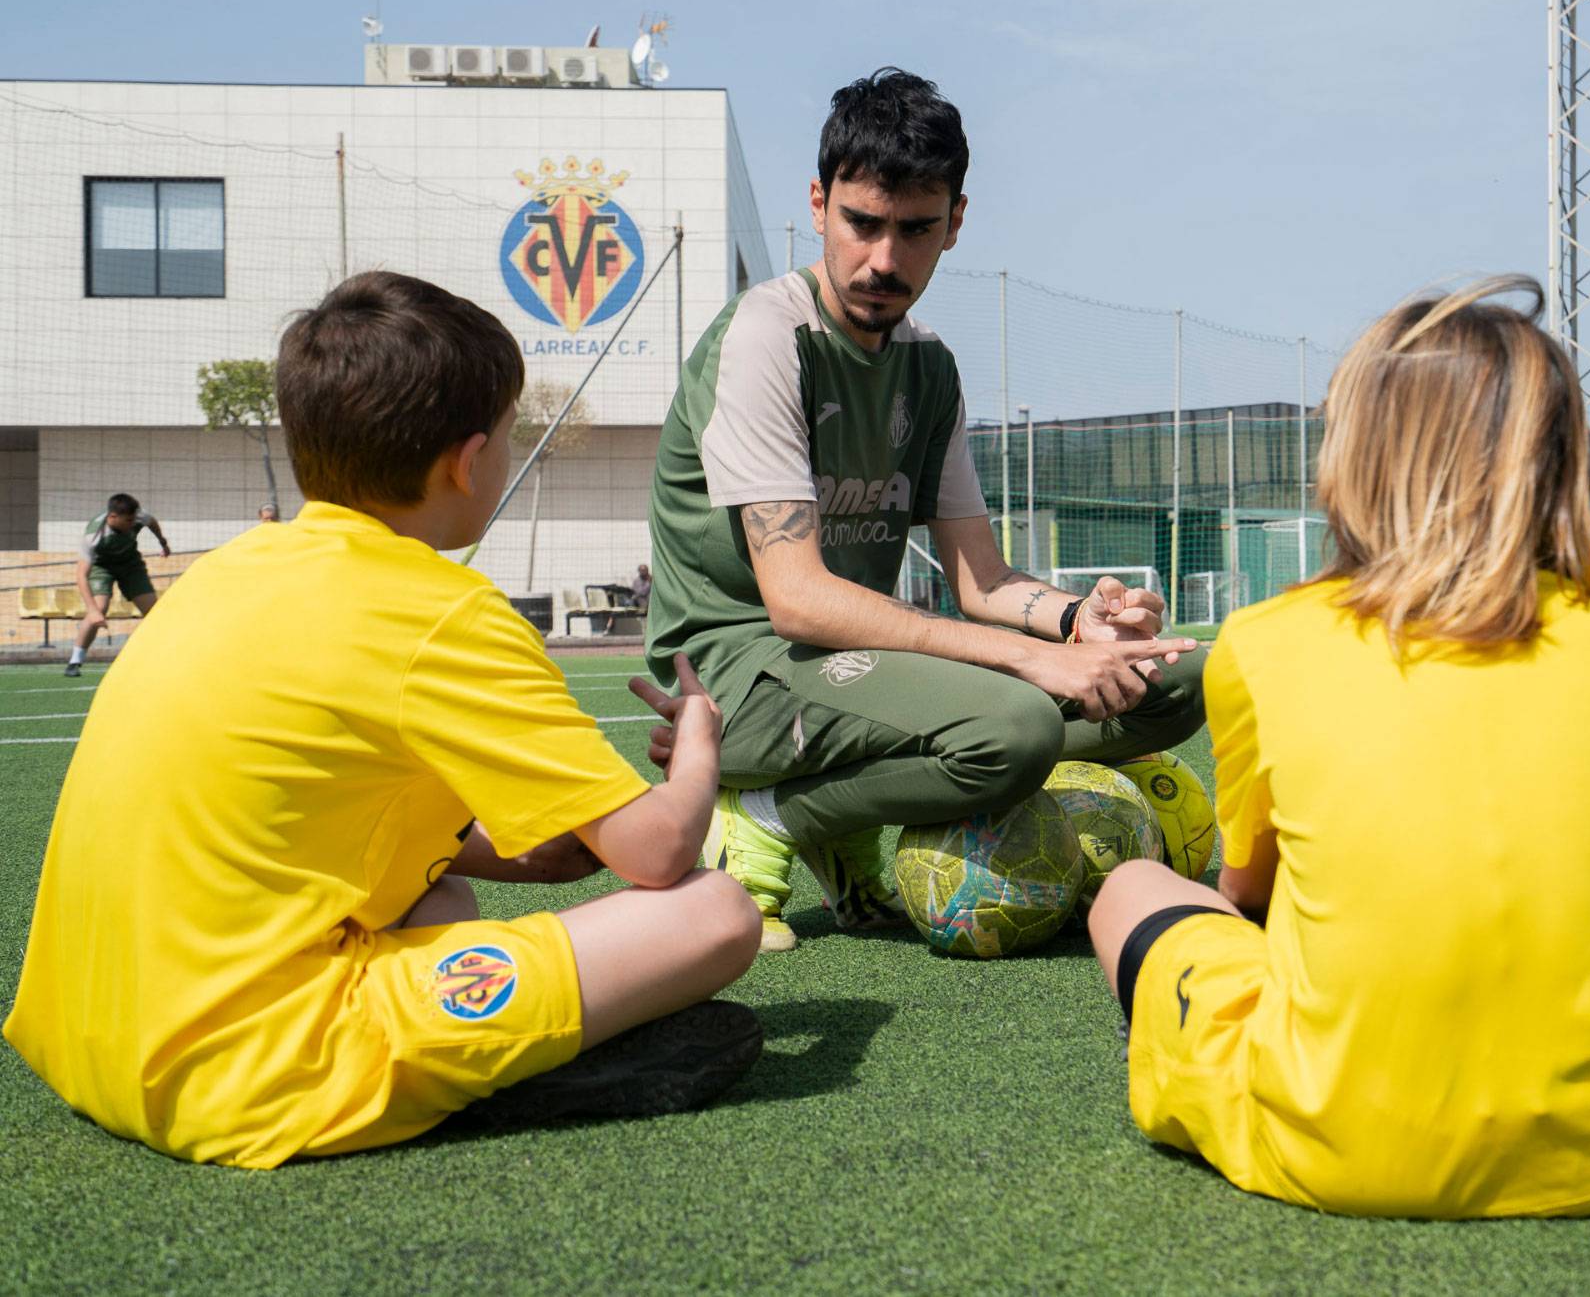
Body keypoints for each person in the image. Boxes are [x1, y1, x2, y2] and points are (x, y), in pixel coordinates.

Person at [3, 271, 763, 1169]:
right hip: (248, 1075)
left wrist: (523, 847)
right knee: (716, 912)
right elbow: (659, 853)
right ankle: (492, 1075)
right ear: (467, 461)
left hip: (90, 1043)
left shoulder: (224, 572)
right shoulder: (446, 611)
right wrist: (699, 747)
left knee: (441, 897)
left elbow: (293, 811)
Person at [1086, 277, 1590, 1218]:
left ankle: (1214, 1059)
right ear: (1560, 466)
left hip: (1332, 1148)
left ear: (1351, 458)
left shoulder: (1264, 641)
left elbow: (1248, 894)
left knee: (1131, 890)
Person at [647, 68, 1203, 953]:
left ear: (955, 223)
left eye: (915, 230)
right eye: (861, 223)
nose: (884, 259)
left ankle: (849, 809)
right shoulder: (767, 337)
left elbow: (981, 581)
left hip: (855, 663)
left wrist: (1080, 622)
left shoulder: (929, 366)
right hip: (735, 673)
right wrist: (1031, 660)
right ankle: (766, 814)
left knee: (1172, 680)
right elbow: (797, 600)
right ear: (819, 206)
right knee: (1015, 730)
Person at [64, 493, 168, 676]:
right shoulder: (93, 536)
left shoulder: (138, 515)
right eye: (128, 521)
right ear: (113, 517)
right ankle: (75, 661)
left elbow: (152, 522)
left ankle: (163, 655)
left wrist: (162, 542)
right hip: (102, 567)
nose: (132, 524)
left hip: (130, 564)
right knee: (99, 608)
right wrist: (93, 610)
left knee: (153, 610)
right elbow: (81, 575)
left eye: (133, 519)